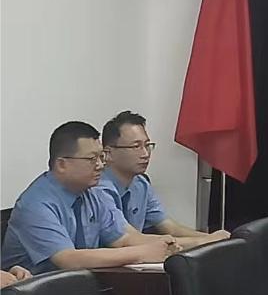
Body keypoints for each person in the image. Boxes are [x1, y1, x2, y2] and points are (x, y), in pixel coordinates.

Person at [1, 122, 178, 274]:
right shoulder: (35, 204)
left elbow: (122, 239)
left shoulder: (92, 192)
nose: (100, 165)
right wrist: (141, 253)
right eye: (92, 159)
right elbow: (68, 259)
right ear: (62, 164)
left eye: (101, 157)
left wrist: (166, 244)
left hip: (81, 286)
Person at [98, 110, 229, 248]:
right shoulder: (99, 188)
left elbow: (169, 227)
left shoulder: (141, 184)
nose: (145, 154)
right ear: (108, 153)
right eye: (136, 146)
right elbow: (130, 239)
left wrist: (212, 238)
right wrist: (202, 242)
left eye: (147, 145)